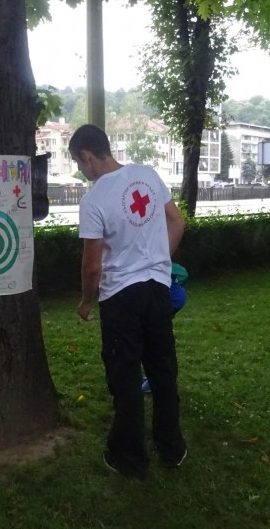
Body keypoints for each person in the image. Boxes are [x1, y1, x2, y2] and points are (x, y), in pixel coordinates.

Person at [70, 124, 187, 479]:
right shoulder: (146, 175)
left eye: (78, 163)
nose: (81, 170)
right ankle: (172, 448)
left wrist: (86, 302)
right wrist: (158, 260)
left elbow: (92, 266)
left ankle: (129, 458)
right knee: (163, 371)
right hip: (157, 290)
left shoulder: (93, 200)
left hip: (121, 298)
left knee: (125, 376)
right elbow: (177, 222)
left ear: (87, 155)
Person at [141, 262, 188, 393]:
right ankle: (162, 380)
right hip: (169, 300)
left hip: (164, 302)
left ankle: (157, 381)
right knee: (159, 342)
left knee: (153, 342)